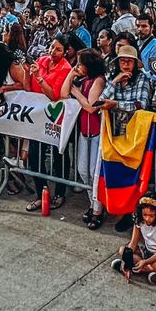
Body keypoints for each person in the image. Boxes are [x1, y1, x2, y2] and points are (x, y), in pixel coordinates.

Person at [65, 48, 111, 230]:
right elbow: (62, 92)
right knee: (83, 170)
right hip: (85, 131)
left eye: (80, 63)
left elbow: (92, 107)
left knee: (94, 172)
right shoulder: (82, 80)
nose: (78, 66)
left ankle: (98, 209)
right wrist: (71, 74)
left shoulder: (98, 80)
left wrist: (76, 93)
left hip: (97, 130)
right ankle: (93, 203)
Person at [112, 196, 156, 284]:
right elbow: (133, 243)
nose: (147, 219)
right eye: (145, 215)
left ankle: (139, 268)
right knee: (123, 250)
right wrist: (127, 260)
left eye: (151, 216)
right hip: (147, 251)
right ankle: (142, 269)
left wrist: (144, 262)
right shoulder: (139, 220)